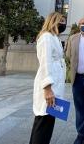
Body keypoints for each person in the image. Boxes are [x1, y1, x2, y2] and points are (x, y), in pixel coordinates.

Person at [29, 12, 67, 144]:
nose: (64, 23)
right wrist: (47, 88)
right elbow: (45, 63)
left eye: (64, 21)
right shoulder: (46, 37)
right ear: (53, 21)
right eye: (61, 20)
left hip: (55, 86)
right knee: (43, 123)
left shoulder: (54, 37)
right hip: (49, 88)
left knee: (47, 123)